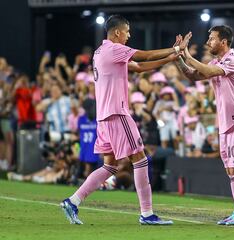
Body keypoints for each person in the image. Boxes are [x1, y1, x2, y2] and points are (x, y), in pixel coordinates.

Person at [60, 14, 191, 225]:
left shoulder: (100, 52)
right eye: (127, 32)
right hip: (117, 114)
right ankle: (147, 214)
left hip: (103, 118)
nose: (129, 35)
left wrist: (170, 59)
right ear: (118, 32)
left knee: (109, 166)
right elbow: (145, 56)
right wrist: (175, 50)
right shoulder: (114, 49)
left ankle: (73, 201)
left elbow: (138, 67)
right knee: (140, 159)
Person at [176, 25, 234, 225]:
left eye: (212, 39)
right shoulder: (216, 61)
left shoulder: (233, 60)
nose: (208, 42)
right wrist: (178, 58)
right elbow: (193, 75)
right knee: (230, 169)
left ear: (224, 42)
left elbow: (208, 70)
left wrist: (186, 53)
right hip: (225, 123)